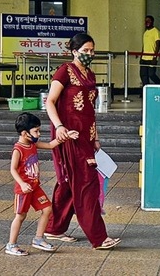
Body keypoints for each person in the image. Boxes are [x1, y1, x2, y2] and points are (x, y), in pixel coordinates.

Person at [44, 33, 121, 250]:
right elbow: (50, 101)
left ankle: (54, 229)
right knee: (87, 182)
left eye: (92, 50)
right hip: (69, 135)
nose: (89, 54)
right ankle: (99, 237)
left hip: (86, 136)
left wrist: (95, 136)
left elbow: (90, 111)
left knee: (69, 182)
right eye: (85, 50)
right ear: (74, 51)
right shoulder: (65, 71)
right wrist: (60, 127)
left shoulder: (90, 75)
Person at [6, 112, 79, 256]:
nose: (38, 134)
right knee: (20, 216)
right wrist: (21, 184)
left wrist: (66, 136)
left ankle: (38, 239)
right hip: (24, 190)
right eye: (36, 131)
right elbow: (13, 169)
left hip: (35, 187)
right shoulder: (18, 149)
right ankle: (11, 244)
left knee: (47, 209)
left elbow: (51, 145)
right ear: (25, 133)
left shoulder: (33, 144)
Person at [139, 15, 160, 94]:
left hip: (152, 58)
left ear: (152, 22)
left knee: (151, 74)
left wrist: (155, 57)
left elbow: (158, 44)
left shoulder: (156, 31)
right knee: (143, 75)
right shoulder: (145, 32)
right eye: (146, 21)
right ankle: (146, 92)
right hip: (144, 58)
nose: (147, 22)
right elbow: (144, 45)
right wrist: (141, 56)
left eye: (149, 21)